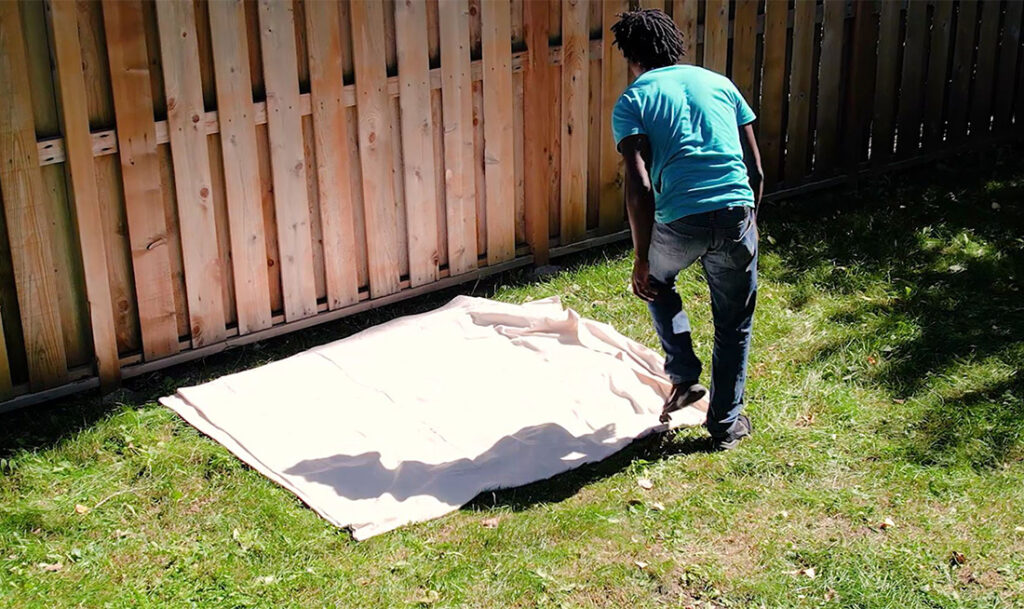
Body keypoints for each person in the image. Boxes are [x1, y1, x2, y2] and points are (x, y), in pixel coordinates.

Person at [610, 9, 763, 451]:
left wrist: (641, 258)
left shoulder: (634, 100)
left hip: (680, 221)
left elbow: (639, 186)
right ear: (675, 44)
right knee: (734, 322)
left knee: (656, 283)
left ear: (631, 55)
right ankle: (725, 426)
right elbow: (755, 170)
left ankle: (683, 373)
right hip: (736, 212)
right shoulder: (719, 83)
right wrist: (748, 225)